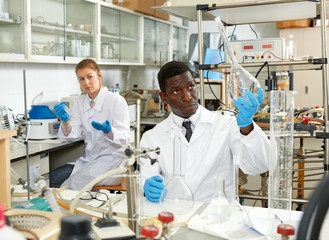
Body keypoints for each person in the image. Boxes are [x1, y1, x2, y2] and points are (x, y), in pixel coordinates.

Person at [140, 61, 270, 203]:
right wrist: (146, 188)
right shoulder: (151, 138)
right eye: (176, 91)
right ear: (164, 97)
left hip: (217, 217)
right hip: (173, 215)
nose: (187, 96)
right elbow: (147, 178)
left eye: (190, 86)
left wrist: (247, 127)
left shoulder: (227, 125)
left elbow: (259, 166)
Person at [49, 59, 131, 190]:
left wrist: (109, 131)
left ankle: (73, 209)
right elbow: (74, 134)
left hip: (112, 161)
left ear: (99, 75)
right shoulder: (80, 101)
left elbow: (126, 138)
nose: (86, 82)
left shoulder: (116, 100)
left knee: (73, 185)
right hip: (90, 159)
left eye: (89, 77)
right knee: (54, 178)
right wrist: (65, 121)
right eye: (81, 79)